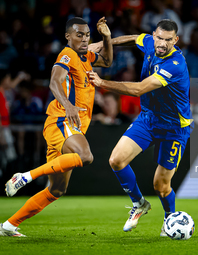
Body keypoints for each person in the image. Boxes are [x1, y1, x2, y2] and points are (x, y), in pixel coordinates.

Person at [0, 17, 113, 237]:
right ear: (68, 36)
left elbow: (107, 61)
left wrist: (107, 37)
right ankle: (24, 176)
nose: (84, 38)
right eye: (79, 34)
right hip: (62, 119)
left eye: (87, 35)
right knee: (86, 156)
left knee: (57, 190)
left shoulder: (85, 57)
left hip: (70, 126)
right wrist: (68, 104)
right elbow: (54, 81)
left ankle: (9, 225)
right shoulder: (67, 54)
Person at [88, 19, 192, 235]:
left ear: (176, 40)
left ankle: (168, 220)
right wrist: (103, 42)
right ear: (154, 35)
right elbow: (134, 38)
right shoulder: (150, 42)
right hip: (149, 119)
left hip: (174, 128)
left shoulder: (175, 65)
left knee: (161, 186)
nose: (162, 44)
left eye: (168, 40)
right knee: (116, 160)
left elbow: (140, 89)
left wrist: (102, 83)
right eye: (159, 38)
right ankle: (139, 203)